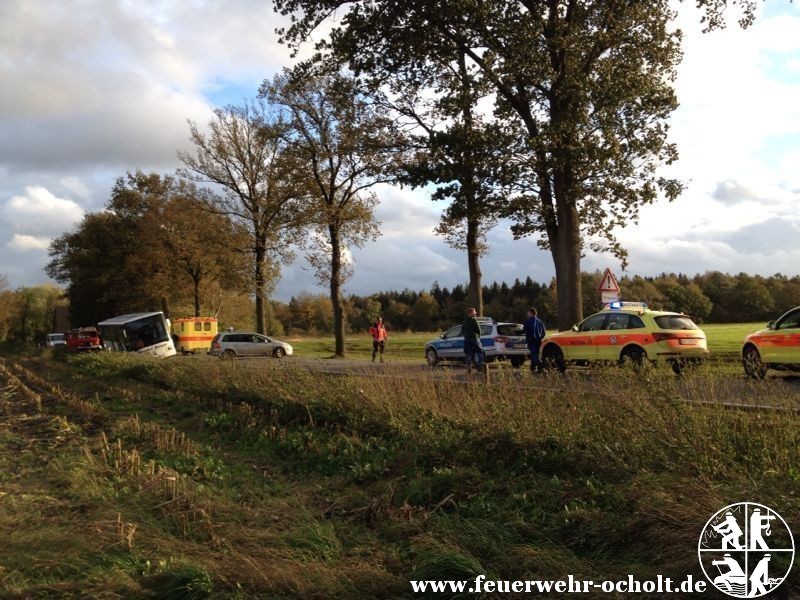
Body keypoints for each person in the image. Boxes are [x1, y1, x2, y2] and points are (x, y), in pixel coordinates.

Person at [523, 308, 546, 373]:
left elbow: (524, 330)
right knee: (535, 353)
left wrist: (515, 332)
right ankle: (532, 367)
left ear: (531, 313)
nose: (527, 314)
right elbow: (544, 332)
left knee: (534, 354)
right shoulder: (540, 321)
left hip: (531, 340)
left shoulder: (528, 321)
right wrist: (540, 338)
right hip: (538, 341)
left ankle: (540, 367)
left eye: (528, 312)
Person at [462, 307, 485, 375]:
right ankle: (479, 369)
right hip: (474, 339)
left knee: (468, 354)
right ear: (471, 313)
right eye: (474, 313)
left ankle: (469, 369)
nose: (475, 314)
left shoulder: (464, 321)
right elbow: (479, 330)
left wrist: (466, 336)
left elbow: (462, 331)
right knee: (480, 352)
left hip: (467, 340)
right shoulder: (474, 320)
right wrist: (478, 337)